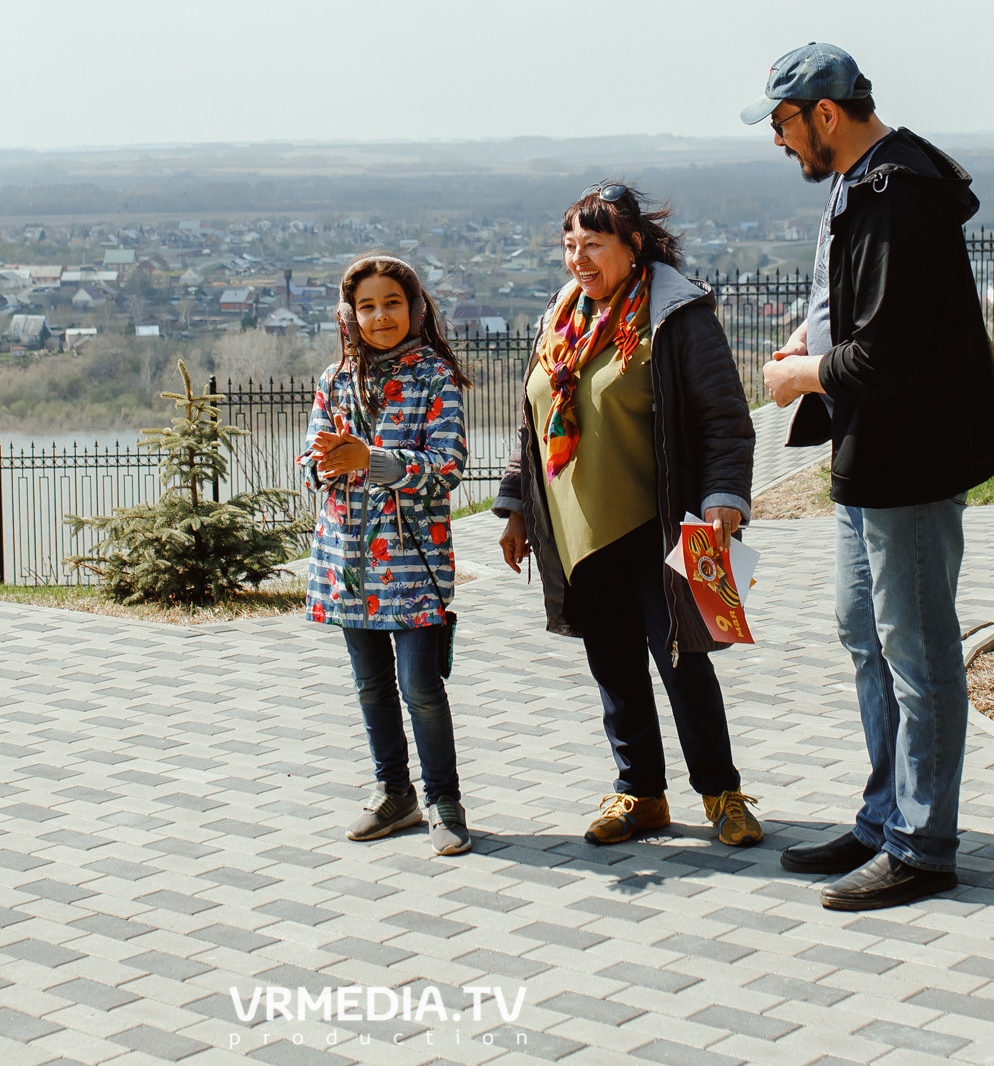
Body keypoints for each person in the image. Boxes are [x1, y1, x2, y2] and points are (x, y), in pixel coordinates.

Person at [747, 43, 994, 911]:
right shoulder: (858, 185)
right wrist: (809, 342)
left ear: (825, 113)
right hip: (873, 455)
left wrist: (801, 378)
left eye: (784, 123)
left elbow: (889, 355)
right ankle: (884, 815)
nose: (780, 141)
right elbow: (854, 310)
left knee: (920, 650)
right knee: (867, 634)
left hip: (912, 455)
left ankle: (923, 845)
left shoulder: (899, 196)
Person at [491, 185, 760, 850]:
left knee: (684, 661)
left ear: (633, 245)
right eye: (570, 246)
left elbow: (724, 417)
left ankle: (721, 793)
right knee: (612, 663)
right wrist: (516, 503)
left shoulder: (678, 315)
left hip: (663, 521)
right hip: (579, 525)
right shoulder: (564, 314)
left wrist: (727, 495)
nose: (579, 258)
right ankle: (640, 793)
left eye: (595, 244)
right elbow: (535, 416)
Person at [301, 255, 474, 855]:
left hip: (412, 564)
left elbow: (448, 468)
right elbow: (310, 460)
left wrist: (368, 461)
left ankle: (444, 802)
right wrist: (324, 463)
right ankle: (393, 793)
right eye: (367, 306)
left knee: (420, 685)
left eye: (392, 304)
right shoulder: (334, 380)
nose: (380, 316)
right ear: (350, 315)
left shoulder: (434, 378)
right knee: (371, 686)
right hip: (348, 562)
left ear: (416, 309)